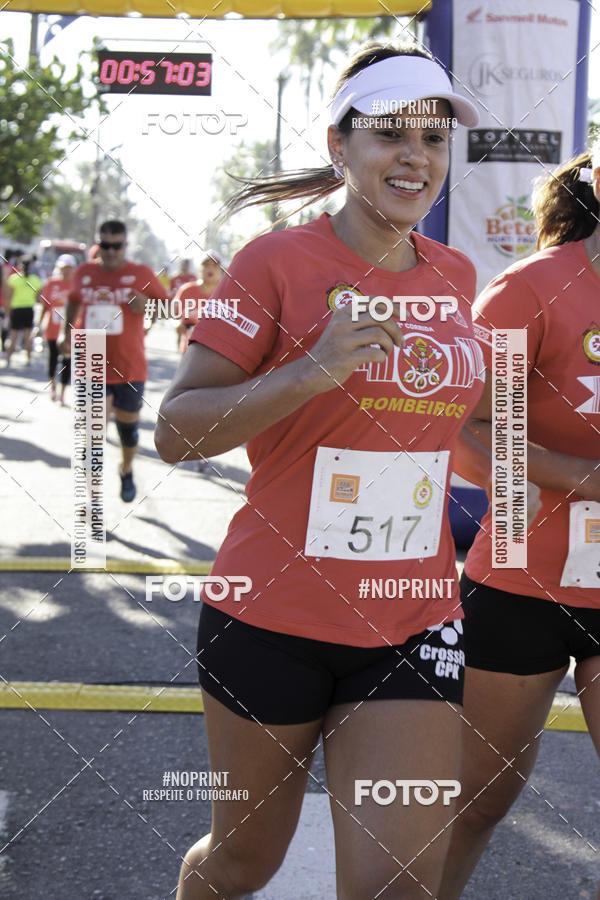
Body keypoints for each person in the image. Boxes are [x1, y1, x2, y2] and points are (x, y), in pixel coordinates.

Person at [156, 42, 483, 900]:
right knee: (241, 862)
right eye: (391, 135)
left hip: (413, 616)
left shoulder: (456, 275)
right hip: (272, 614)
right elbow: (176, 431)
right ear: (341, 146)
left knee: (400, 883)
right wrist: (311, 370)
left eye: (435, 138)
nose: (416, 156)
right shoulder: (275, 263)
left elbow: (456, 428)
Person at [439, 148, 600, 899]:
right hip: (521, 577)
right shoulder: (533, 288)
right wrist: (573, 478)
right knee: (475, 803)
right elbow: (460, 422)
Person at [61, 220, 164, 502]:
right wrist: (66, 333)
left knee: (127, 433)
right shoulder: (84, 272)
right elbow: (72, 300)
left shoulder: (140, 273)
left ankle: (126, 468)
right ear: (99, 244)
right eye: (105, 245)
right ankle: (91, 497)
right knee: (92, 436)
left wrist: (148, 304)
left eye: (116, 246)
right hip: (91, 360)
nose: (110, 252)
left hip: (130, 366)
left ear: (125, 246)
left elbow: (170, 307)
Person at [38, 254, 75, 404]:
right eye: (63, 268)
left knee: (67, 361)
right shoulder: (51, 283)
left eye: (68, 268)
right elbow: (45, 306)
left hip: (70, 332)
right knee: (52, 358)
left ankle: (62, 393)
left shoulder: (77, 285)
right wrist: (39, 325)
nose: (65, 271)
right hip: (52, 329)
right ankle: (53, 387)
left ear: (73, 269)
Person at [173, 251, 225, 356]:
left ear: (220, 270)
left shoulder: (227, 295)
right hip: (189, 352)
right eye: (206, 265)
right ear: (199, 268)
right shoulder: (186, 290)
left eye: (215, 265)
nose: (210, 269)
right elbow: (174, 315)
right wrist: (177, 325)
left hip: (216, 355)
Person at [4, 256, 42, 366]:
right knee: (27, 336)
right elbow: (37, 298)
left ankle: (8, 359)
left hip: (16, 309)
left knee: (13, 336)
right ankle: (29, 359)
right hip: (28, 310)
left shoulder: (14, 278)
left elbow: (9, 297)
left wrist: (7, 314)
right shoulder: (35, 280)